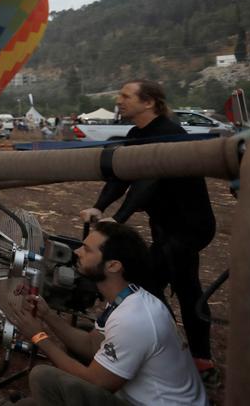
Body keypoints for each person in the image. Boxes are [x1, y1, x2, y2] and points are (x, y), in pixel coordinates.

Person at [78, 80, 217, 380]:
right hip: (164, 226)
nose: (119, 100)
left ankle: (199, 359)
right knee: (151, 283)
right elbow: (121, 175)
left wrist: (120, 217)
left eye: (126, 96)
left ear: (149, 102)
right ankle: (171, 347)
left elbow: (150, 181)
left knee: (181, 285)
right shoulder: (136, 135)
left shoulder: (170, 133)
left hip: (189, 226)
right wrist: (99, 207)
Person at [7, 221, 205, 406]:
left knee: (43, 378)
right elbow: (91, 345)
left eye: (87, 249)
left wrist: (39, 337)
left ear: (113, 265)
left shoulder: (134, 319)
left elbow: (95, 381)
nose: (77, 252)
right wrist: (47, 315)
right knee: (81, 335)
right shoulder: (127, 297)